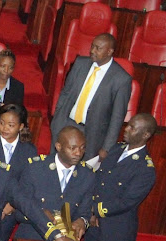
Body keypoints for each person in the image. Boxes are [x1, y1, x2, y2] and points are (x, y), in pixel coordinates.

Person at [85, 113, 157, 241]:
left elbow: (126, 202)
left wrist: (95, 210)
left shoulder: (145, 168)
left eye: (132, 128)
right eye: (128, 125)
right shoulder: (116, 149)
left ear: (145, 135)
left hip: (115, 230)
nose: (126, 129)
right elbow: (98, 180)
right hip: (93, 226)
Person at [51, 33, 132, 162]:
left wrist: (107, 147)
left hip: (91, 134)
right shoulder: (80, 63)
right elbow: (66, 92)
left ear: (109, 51)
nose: (92, 51)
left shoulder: (121, 79)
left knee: (80, 174)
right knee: (54, 164)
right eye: (92, 46)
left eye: (98, 48)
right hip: (65, 124)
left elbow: (117, 118)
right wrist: (57, 118)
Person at [9, 126, 94, 241]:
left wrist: (82, 221)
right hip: (32, 238)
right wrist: (41, 214)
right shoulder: (35, 169)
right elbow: (19, 212)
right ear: (58, 146)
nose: (78, 153)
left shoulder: (87, 175)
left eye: (82, 148)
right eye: (72, 148)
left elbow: (86, 211)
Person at [0, 103, 37, 179]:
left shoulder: (29, 150)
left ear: (21, 126)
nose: (5, 128)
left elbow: (29, 179)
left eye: (11, 125)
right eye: (2, 123)